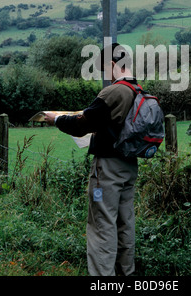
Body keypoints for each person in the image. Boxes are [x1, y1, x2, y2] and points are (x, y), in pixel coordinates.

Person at [44, 43, 138, 276]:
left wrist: (56, 119)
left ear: (113, 65)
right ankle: (127, 273)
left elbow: (80, 125)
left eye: (105, 68)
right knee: (125, 222)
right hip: (129, 167)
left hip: (106, 171)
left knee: (101, 224)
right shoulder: (138, 91)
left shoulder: (113, 92)